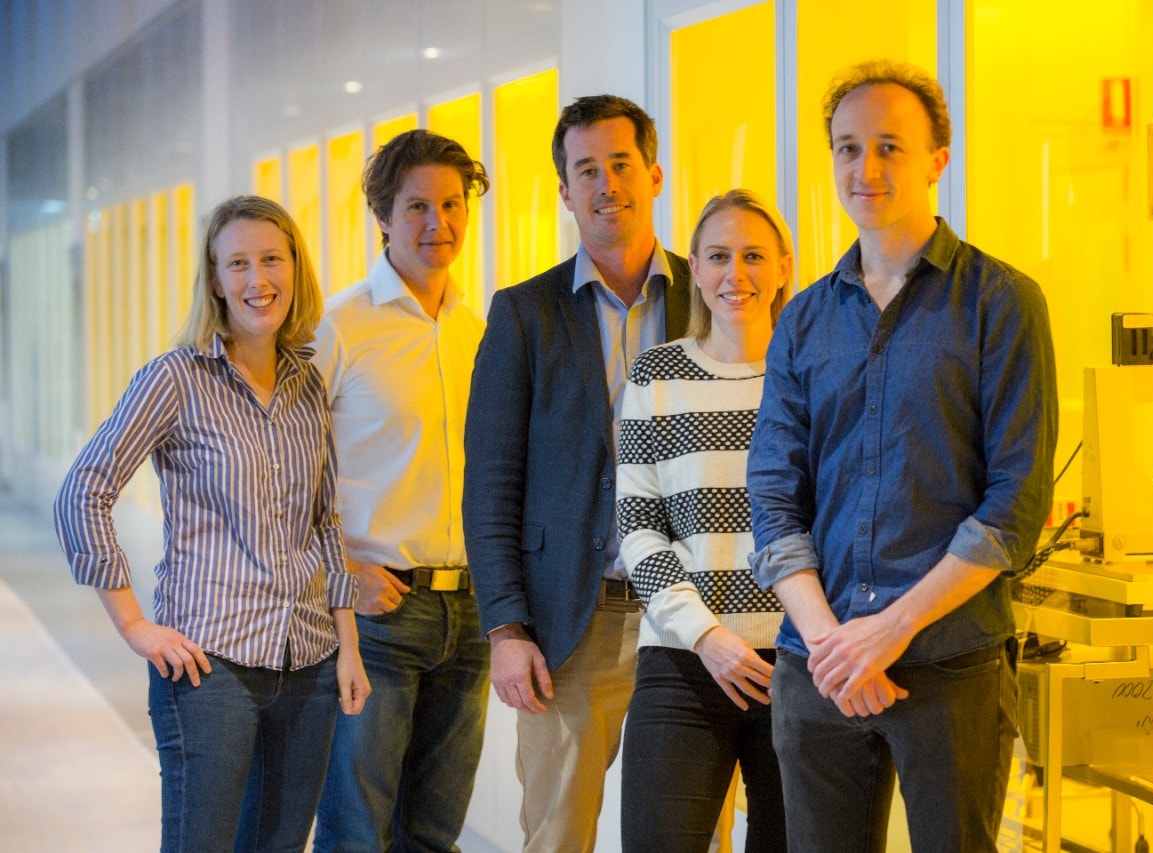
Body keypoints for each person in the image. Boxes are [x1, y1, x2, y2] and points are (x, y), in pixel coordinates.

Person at [746, 60, 1058, 852]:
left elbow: (1014, 501)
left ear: (937, 159)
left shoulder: (1000, 301)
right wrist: (832, 643)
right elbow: (774, 494)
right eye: (848, 149)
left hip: (950, 665)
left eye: (889, 146)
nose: (866, 168)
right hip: (816, 668)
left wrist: (890, 629)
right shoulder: (805, 318)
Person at [52, 195, 370, 851]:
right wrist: (135, 624)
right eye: (239, 264)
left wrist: (350, 645)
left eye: (272, 260)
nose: (259, 281)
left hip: (307, 663)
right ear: (216, 280)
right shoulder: (176, 378)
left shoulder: (307, 383)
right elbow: (84, 489)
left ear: (294, 269)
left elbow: (324, 519)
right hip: (209, 668)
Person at [463, 94, 691, 852]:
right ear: (564, 191)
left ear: (654, 174)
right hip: (571, 625)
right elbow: (490, 483)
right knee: (557, 834)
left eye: (620, 164)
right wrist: (505, 625)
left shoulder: (712, 297)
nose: (605, 185)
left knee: (692, 833)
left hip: (692, 624)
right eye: (585, 169)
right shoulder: (524, 314)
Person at [310, 129, 491, 853]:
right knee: (358, 831)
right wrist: (341, 573)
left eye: (452, 205)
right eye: (417, 206)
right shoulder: (338, 325)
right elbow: (291, 468)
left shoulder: (481, 332)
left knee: (435, 834)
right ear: (383, 214)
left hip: (472, 616)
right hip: (378, 618)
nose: (437, 224)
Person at [617, 189, 792, 853]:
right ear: (694, 265)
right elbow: (638, 527)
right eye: (718, 255)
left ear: (783, 267)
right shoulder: (656, 376)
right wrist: (707, 634)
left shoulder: (809, 377)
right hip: (684, 660)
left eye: (753, 255)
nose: (735, 273)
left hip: (796, 664)